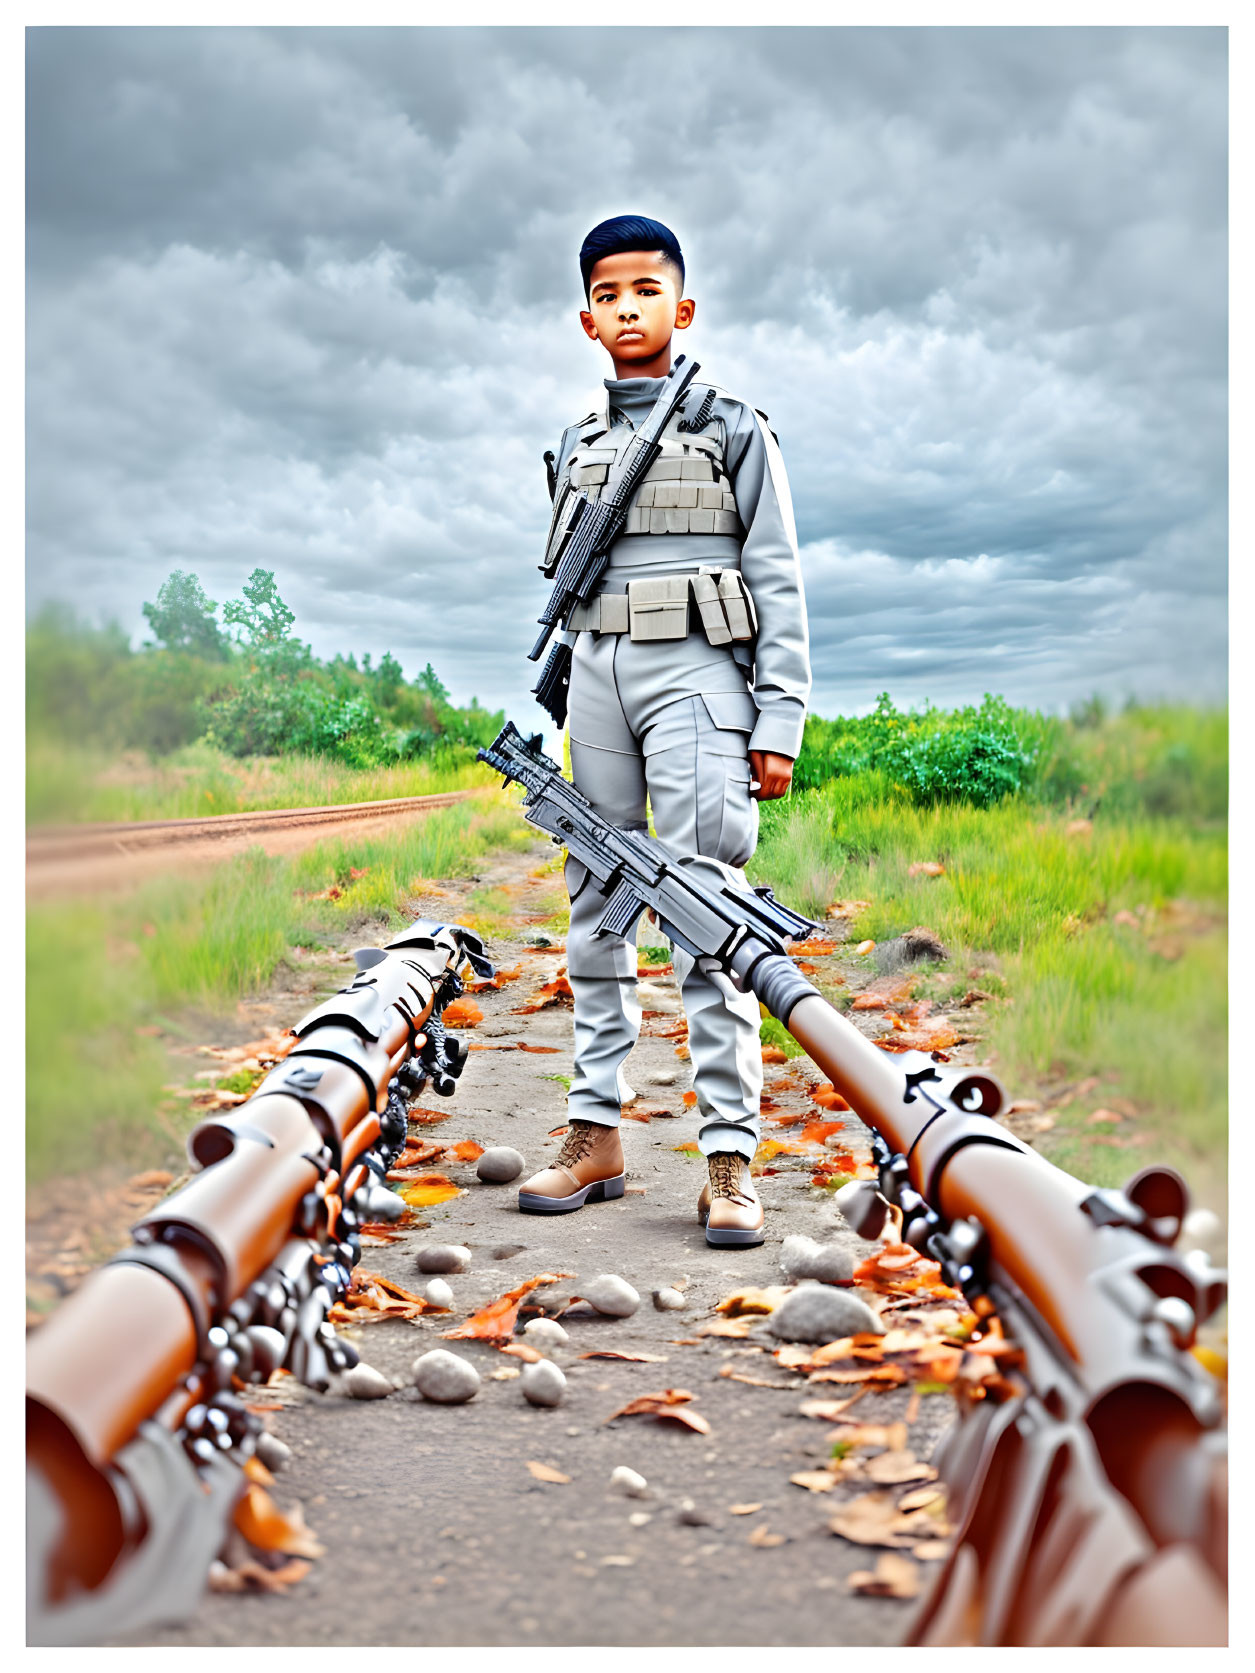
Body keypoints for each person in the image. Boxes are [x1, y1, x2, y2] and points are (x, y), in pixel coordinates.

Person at [516, 214, 811, 1247]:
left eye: (647, 289)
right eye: (608, 293)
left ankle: (728, 1157)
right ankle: (594, 1132)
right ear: (586, 318)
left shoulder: (732, 426)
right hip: (595, 675)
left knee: (703, 912)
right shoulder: (573, 444)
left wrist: (780, 716)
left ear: (681, 308)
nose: (627, 306)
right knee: (595, 910)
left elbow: (775, 575)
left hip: (696, 677)